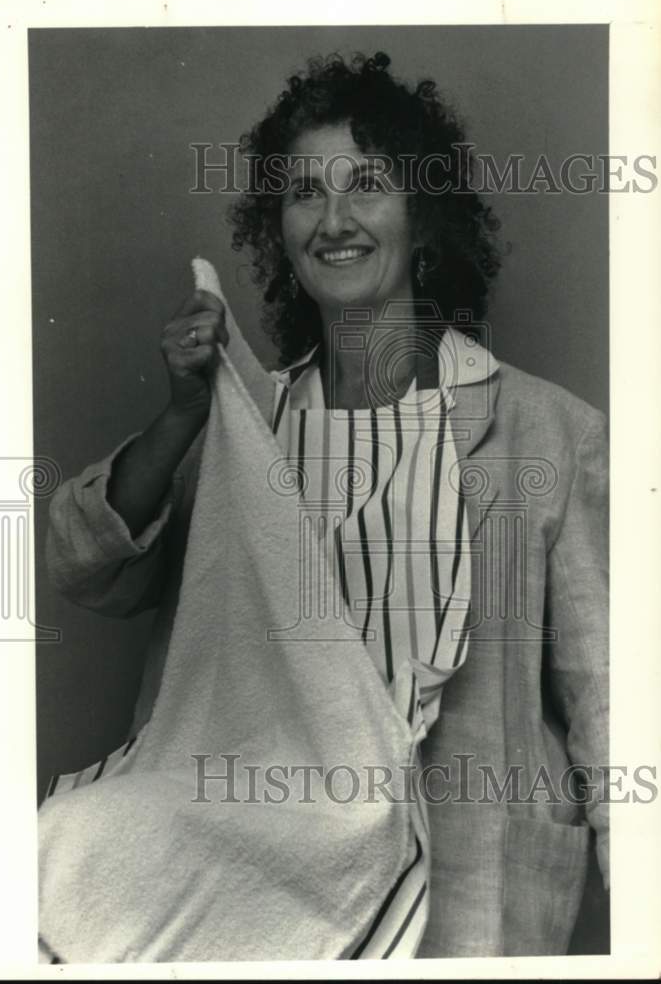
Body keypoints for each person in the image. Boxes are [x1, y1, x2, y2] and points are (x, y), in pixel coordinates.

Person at [41, 52, 609, 960]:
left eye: (368, 184)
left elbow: (614, 697)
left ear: (424, 215)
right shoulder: (245, 424)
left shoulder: (548, 431)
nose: (334, 220)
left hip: (464, 889)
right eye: (305, 192)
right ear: (278, 228)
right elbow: (86, 570)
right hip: (248, 875)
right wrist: (185, 412)